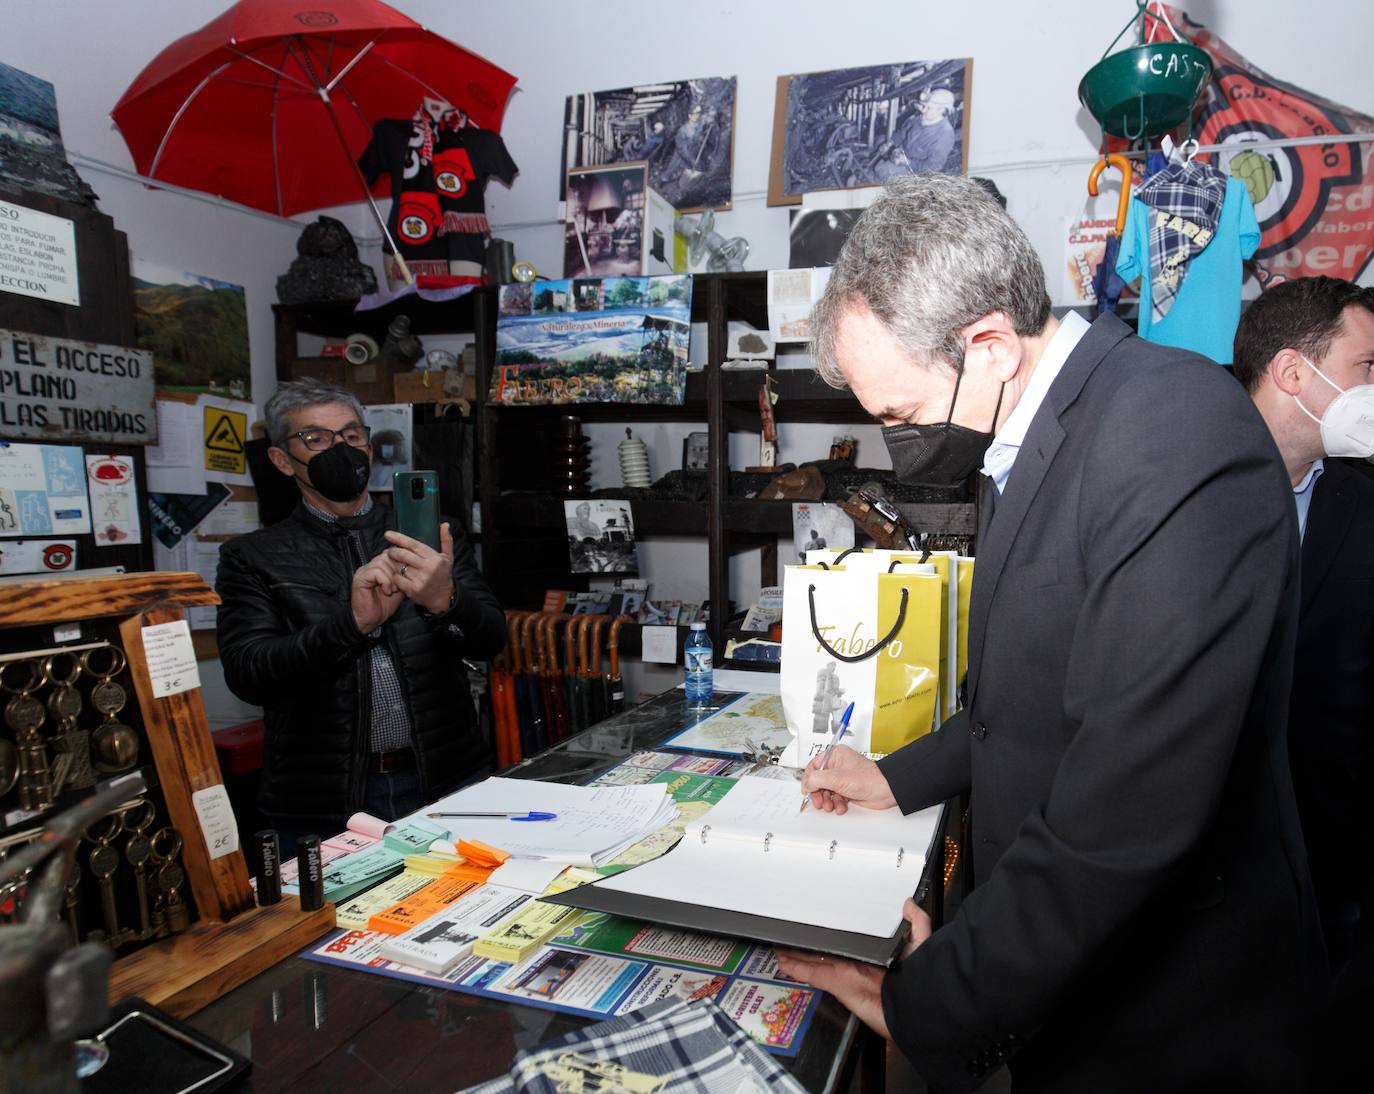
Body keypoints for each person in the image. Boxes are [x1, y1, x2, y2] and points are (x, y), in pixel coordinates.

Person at [778, 175, 1323, 1092]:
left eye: (903, 417)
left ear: (988, 344)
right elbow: (1022, 695)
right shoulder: (1027, 429)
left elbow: (1128, 806)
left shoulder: (1170, 430)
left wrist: (930, 994)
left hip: (1168, 1012)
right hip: (1069, 971)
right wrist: (894, 777)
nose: (901, 443)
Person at [216, 380, 504, 847]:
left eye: (350, 436)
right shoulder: (252, 557)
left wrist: (443, 600)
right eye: (316, 438)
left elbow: (491, 639)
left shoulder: (432, 535)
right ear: (281, 460)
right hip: (323, 802)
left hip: (445, 780)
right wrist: (353, 625)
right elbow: (250, 674)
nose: (339, 449)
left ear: (369, 448)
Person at [1233, 276, 1374, 976]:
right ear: (1295, 372)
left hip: (1334, 862)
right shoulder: (1182, 489)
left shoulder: (1365, 503)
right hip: (1205, 866)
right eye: (1368, 369)